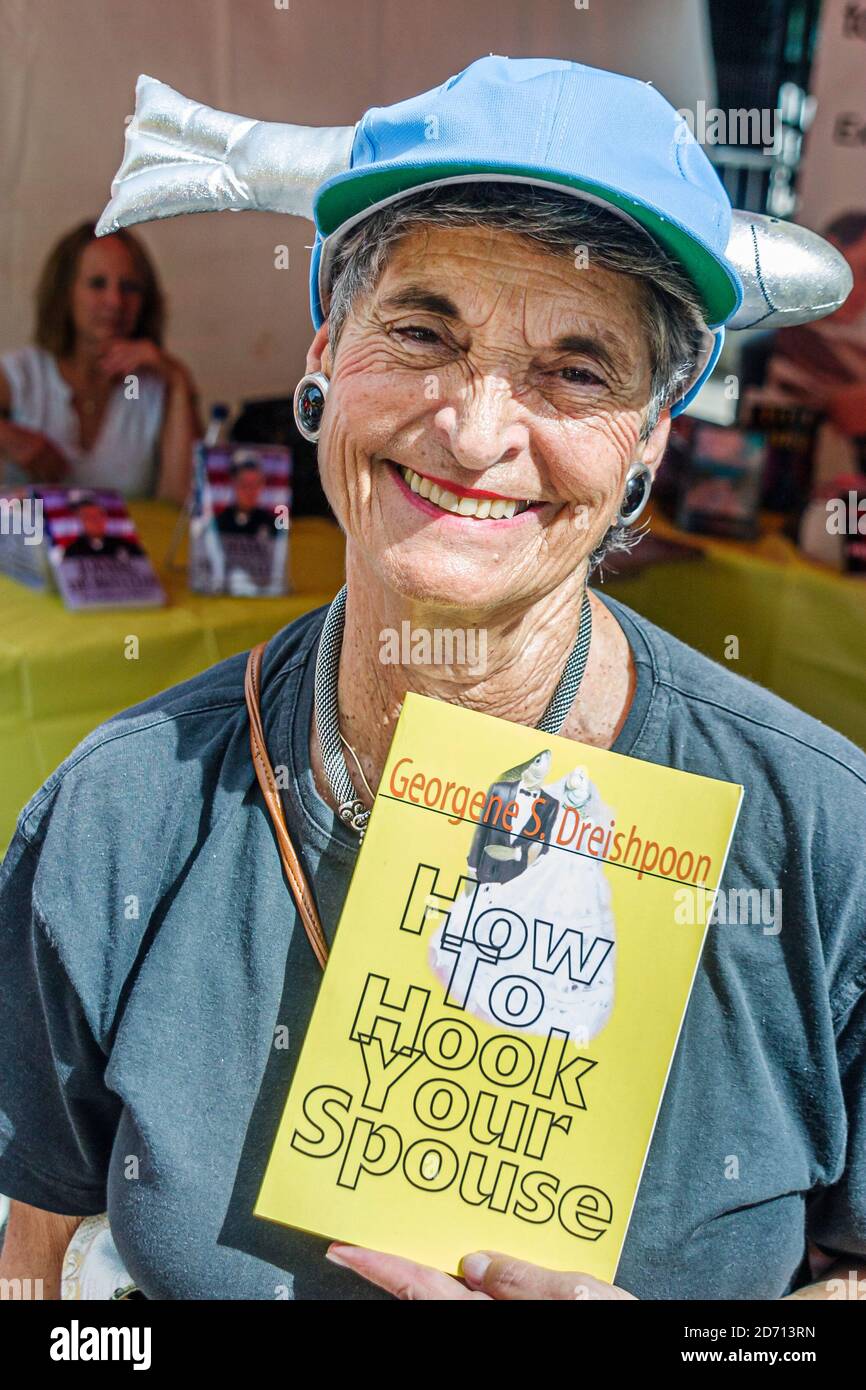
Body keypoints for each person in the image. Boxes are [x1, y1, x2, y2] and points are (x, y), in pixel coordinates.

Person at [1, 55, 864, 1303]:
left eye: (575, 370)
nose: (471, 431)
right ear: (323, 356)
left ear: (649, 442)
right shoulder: (120, 819)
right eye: (420, 333)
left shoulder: (822, 843)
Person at [0, 220, 202, 505]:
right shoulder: (24, 374)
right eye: (97, 284)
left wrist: (178, 378)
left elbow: (181, 506)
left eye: (130, 287)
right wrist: (10, 438)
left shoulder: (156, 386)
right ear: (65, 294)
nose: (115, 301)